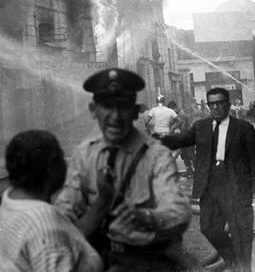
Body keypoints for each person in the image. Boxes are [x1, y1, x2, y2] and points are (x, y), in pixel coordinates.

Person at [54, 68, 192, 271]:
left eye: (123, 106)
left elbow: (178, 211)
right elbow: (62, 215)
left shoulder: (156, 155)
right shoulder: (84, 155)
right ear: (93, 110)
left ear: (135, 111)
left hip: (144, 262)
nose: (115, 116)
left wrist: (146, 217)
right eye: (107, 106)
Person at [155, 87, 255, 272]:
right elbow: (181, 140)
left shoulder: (243, 128)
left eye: (219, 103)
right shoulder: (201, 126)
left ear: (228, 105)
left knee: (241, 235)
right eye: (211, 104)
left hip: (236, 188)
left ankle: (243, 268)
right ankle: (232, 261)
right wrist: (156, 139)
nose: (215, 107)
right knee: (208, 227)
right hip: (209, 186)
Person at [0, 130, 103, 272]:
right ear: (52, 169)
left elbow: (71, 232)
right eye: (62, 157)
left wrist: (102, 201)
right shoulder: (46, 227)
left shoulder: (12, 200)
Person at [168, 101, 195, 179]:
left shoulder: (181, 115)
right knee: (185, 156)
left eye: (171, 110)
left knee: (190, 155)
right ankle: (190, 171)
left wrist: (173, 129)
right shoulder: (177, 114)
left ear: (175, 108)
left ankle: (199, 170)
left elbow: (182, 128)